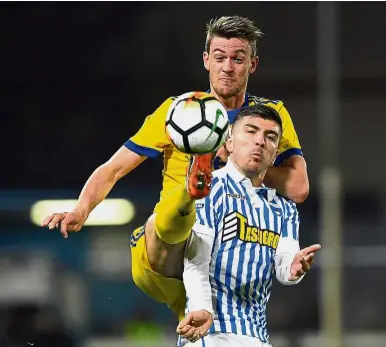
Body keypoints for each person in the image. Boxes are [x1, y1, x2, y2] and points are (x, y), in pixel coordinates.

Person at [41, 15, 309, 332]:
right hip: (169, 258)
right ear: (206, 60)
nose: (228, 67)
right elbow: (113, 169)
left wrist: (243, 161)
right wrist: (81, 209)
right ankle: (191, 188)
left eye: (238, 59)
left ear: (252, 64)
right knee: (171, 224)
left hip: (222, 271)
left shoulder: (269, 117)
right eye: (220, 57)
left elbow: (298, 188)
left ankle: (197, 185)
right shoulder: (178, 112)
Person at [177, 104, 321, 346]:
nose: (260, 142)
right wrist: (202, 309)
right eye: (251, 131)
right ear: (229, 143)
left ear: (275, 154)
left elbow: (284, 267)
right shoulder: (209, 190)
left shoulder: (284, 209)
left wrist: (294, 268)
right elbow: (195, 262)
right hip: (211, 332)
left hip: (257, 336)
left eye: (270, 137)